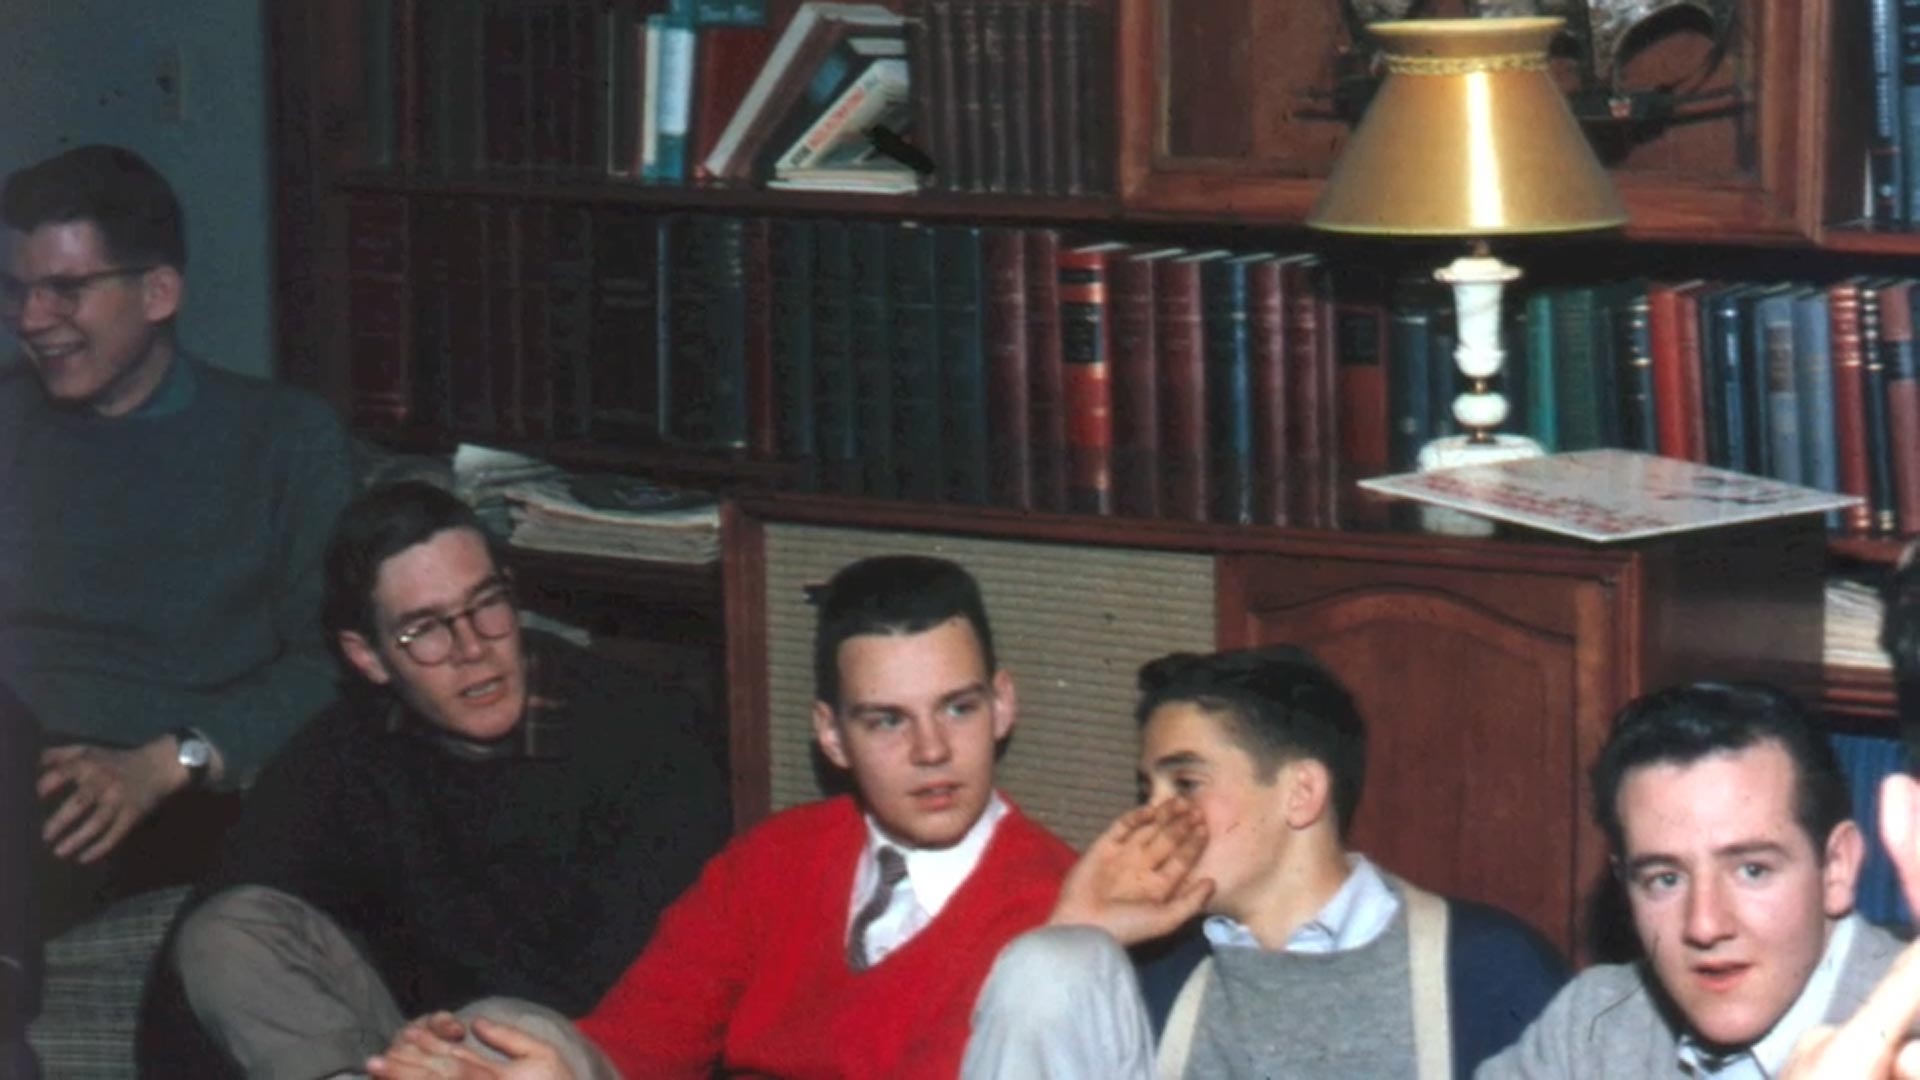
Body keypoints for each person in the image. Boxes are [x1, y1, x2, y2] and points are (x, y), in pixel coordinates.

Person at [364, 553, 1078, 1080]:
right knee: (499, 1032)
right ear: (832, 736)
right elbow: (640, 1041)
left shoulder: (1059, 903)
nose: (932, 751)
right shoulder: (775, 859)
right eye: (887, 721)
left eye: (959, 708)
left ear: (1003, 704)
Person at [166, 481, 730, 1078]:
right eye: (426, 630)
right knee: (224, 935)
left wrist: (445, 1049)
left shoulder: (646, 731)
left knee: (504, 1021)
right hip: (410, 1051)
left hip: (576, 1045)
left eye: (486, 604)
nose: (472, 650)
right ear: (369, 658)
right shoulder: (342, 752)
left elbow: (650, 997)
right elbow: (229, 916)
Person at [0, 143, 354, 928]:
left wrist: (170, 761)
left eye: (66, 290)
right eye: (18, 291)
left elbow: (334, 659)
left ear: (158, 291)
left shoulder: (284, 440)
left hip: (168, 779)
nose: (31, 320)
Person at [960, 644, 1568, 1079]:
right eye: (1148, 792)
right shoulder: (1152, 974)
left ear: (1301, 793)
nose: (1152, 818)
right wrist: (1076, 928)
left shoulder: (1487, 968)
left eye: (1187, 784)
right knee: (1049, 963)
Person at [1479, 680, 1904, 1078]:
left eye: (1751, 871)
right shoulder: (1594, 1025)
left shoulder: (1909, 1039)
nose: (1704, 926)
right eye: (1665, 879)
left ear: (1836, 868)